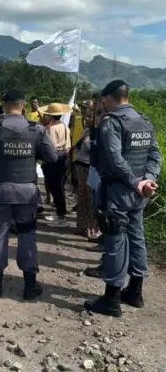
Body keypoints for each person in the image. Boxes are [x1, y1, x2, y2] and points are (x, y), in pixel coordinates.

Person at [84, 79, 160, 317]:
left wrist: (135, 182)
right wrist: (147, 180)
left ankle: (111, 298)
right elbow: (154, 154)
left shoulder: (112, 122)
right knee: (137, 238)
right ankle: (135, 291)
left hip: (119, 190)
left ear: (108, 98)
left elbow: (115, 158)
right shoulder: (144, 121)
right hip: (139, 193)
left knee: (116, 239)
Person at [0, 88, 57, 300]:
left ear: (3, 105)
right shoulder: (36, 130)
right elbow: (52, 157)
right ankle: (30, 285)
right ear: (24, 106)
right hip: (27, 193)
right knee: (27, 234)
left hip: (1, 190)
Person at [39, 103, 72, 227]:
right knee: (59, 187)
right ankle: (59, 213)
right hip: (63, 157)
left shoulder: (51, 129)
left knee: (56, 187)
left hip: (54, 158)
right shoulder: (64, 126)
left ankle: (61, 216)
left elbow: (50, 146)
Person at [72, 97, 100, 241]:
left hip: (91, 167)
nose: (87, 118)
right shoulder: (87, 131)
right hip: (81, 166)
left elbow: (91, 149)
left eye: (90, 116)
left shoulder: (99, 133)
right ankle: (81, 226)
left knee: (91, 199)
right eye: (87, 116)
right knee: (81, 197)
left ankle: (92, 229)